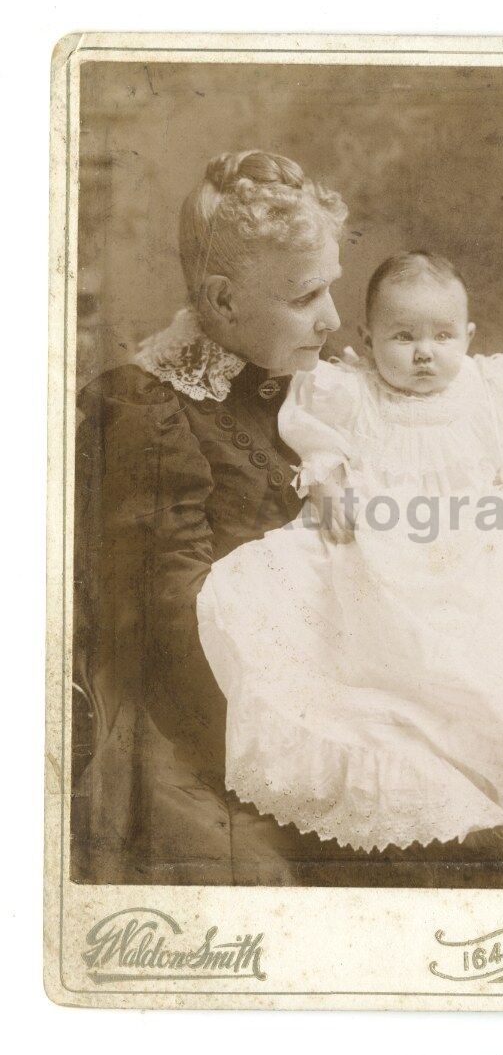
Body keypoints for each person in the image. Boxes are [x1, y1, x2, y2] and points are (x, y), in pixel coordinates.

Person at [197, 252, 503, 881]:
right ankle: (443, 781)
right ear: (367, 338)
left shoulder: (494, 389)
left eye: (442, 337)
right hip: (386, 561)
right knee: (296, 605)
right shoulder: (347, 392)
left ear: (467, 338)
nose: (423, 354)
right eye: (402, 336)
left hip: (484, 550)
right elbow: (321, 451)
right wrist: (327, 486)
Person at [72, 148, 347, 885]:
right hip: (203, 731)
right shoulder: (144, 410)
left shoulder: (305, 387)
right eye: (305, 296)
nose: (333, 318)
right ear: (223, 302)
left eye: (332, 290)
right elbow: (171, 627)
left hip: (326, 696)